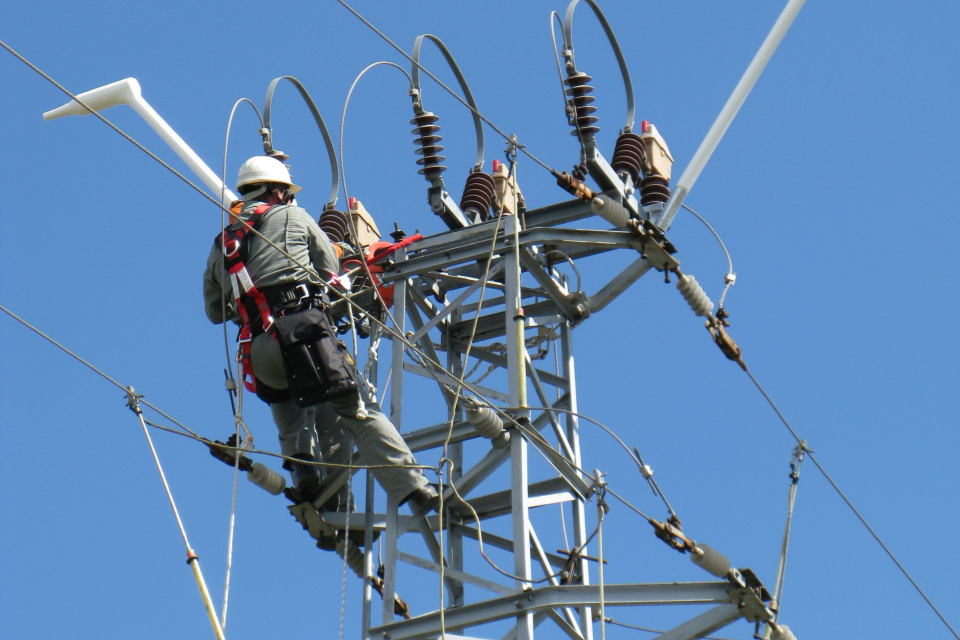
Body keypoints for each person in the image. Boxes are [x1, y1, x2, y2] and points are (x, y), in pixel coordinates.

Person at [202, 155, 437, 514]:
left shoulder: (221, 245)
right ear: (278, 191)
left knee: (296, 406)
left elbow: (215, 312)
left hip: (258, 353)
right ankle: (415, 488)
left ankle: (311, 483)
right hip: (302, 332)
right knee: (357, 412)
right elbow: (330, 268)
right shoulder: (292, 216)